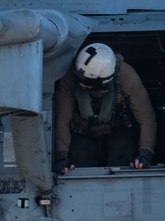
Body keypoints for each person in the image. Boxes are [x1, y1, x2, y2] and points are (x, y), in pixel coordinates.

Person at [53, 42, 157, 173]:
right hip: (82, 131)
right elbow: (62, 121)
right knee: (80, 166)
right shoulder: (70, 77)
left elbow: (147, 120)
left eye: (85, 82)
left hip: (118, 130)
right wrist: (61, 156)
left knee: (122, 164)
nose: (80, 83)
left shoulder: (127, 77)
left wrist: (145, 153)